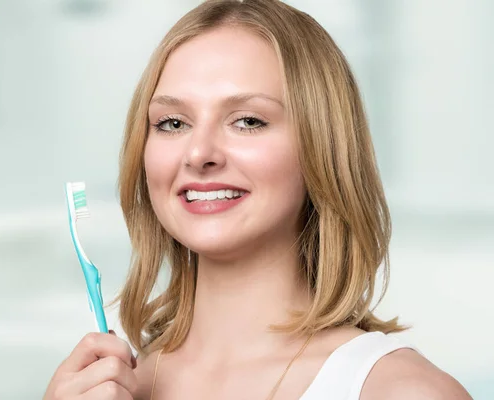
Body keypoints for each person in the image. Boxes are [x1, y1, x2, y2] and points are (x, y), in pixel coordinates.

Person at [44, 1, 472, 399]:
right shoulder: (114, 387)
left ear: (322, 147)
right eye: (173, 122)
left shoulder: (402, 392)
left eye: (248, 121)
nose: (198, 154)